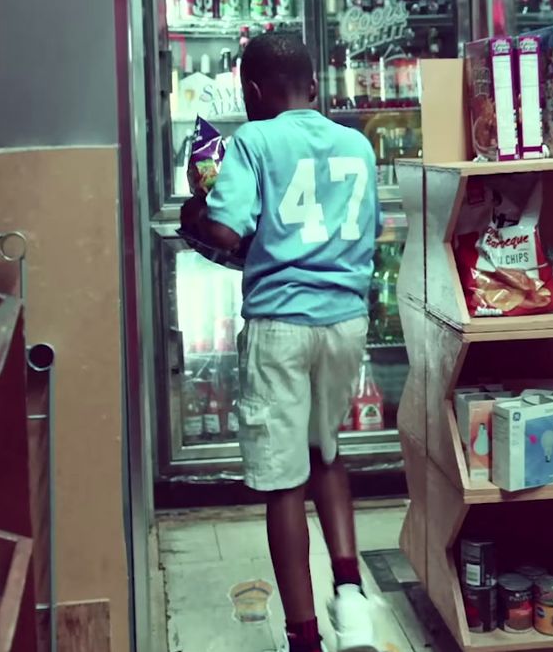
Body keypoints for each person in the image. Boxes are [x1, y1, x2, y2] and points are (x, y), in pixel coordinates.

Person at [180, 32, 380, 652]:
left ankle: (304, 638)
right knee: (327, 453)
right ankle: (352, 604)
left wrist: (195, 212)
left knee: (284, 484)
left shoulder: (253, 140)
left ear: (253, 91)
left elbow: (223, 229)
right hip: (346, 322)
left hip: (282, 326)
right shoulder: (357, 143)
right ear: (315, 88)